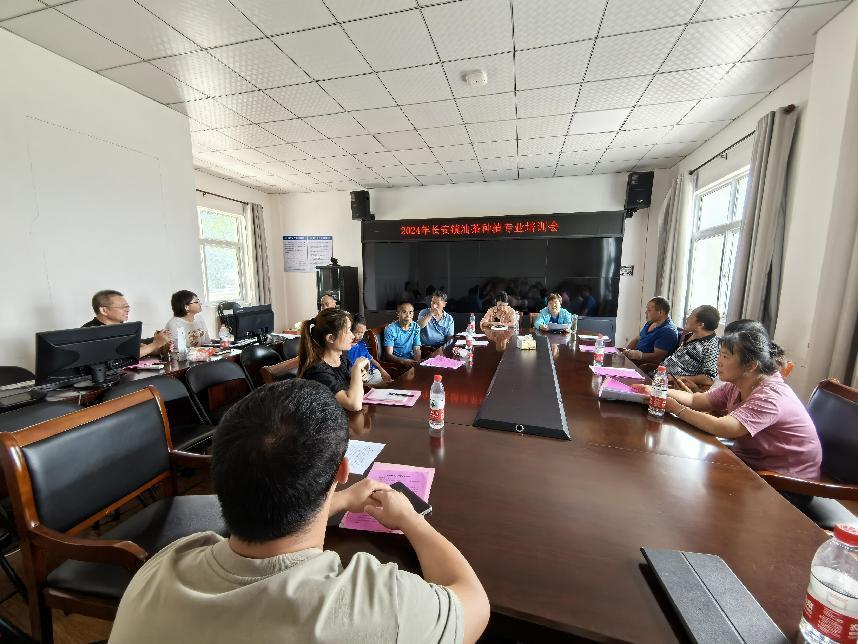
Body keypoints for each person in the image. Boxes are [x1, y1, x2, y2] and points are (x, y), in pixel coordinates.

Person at [109, 379, 490, 644]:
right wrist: (409, 519)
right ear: (342, 471)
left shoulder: (157, 571)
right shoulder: (376, 606)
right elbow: (473, 601)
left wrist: (340, 500)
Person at [633, 327, 821, 508]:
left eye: (725, 357)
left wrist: (676, 408)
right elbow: (695, 399)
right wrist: (657, 390)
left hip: (786, 485)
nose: (718, 361)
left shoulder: (770, 395)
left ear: (751, 366)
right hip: (752, 466)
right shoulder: (739, 383)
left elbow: (723, 428)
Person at [298, 308, 367, 411]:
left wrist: (359, 377)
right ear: (331, 338)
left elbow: (352, 388)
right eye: (348, 331)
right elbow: (354, 405)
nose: (352, 336)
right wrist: (356, 368)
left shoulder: (342, 358)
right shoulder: (318, 371)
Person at [82, 289, 171, 358]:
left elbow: (136, 349)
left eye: (127, 307)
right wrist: (155, 344)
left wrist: (162, 347)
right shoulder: (90, 332)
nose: (127, 310)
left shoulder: (122, 328)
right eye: (123, 307)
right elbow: (121, 356)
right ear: (104, 310)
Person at [660, 305, 720, 392]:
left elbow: (709, 378)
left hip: (672, 387)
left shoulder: (711, 346)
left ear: (700, 324)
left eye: (691, 317)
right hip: (659, 376)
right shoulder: (691, 334)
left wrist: (677, 377)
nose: (687, 318)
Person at [619, 296, 678, 364]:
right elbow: (637, 339)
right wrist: (625, 353)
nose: (646, 312)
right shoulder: (652, 321)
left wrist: (637, 355)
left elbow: (657, 358)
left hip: (642, 365)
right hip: (632, 359)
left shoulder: (668, 332)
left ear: (660, 312)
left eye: (649, 310)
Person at [349, 315, 391, 386]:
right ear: (350, 331)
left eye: (363, 333)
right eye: (358, 333)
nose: (361, 336)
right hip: (364, 378)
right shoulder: (347, 349)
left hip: (375, 373)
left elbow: (371, 358)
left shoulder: (361, 343)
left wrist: (382, 370)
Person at [383, 302, 422, 369]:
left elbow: (416, 348)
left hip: (411, 361)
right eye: (404, 312)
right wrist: (403, 361)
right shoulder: (390, 329)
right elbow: (388, 355)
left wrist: (417, 363)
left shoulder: (415, 326)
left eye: (410, 312)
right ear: (398, 314)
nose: (408, 316)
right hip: (396, 363)